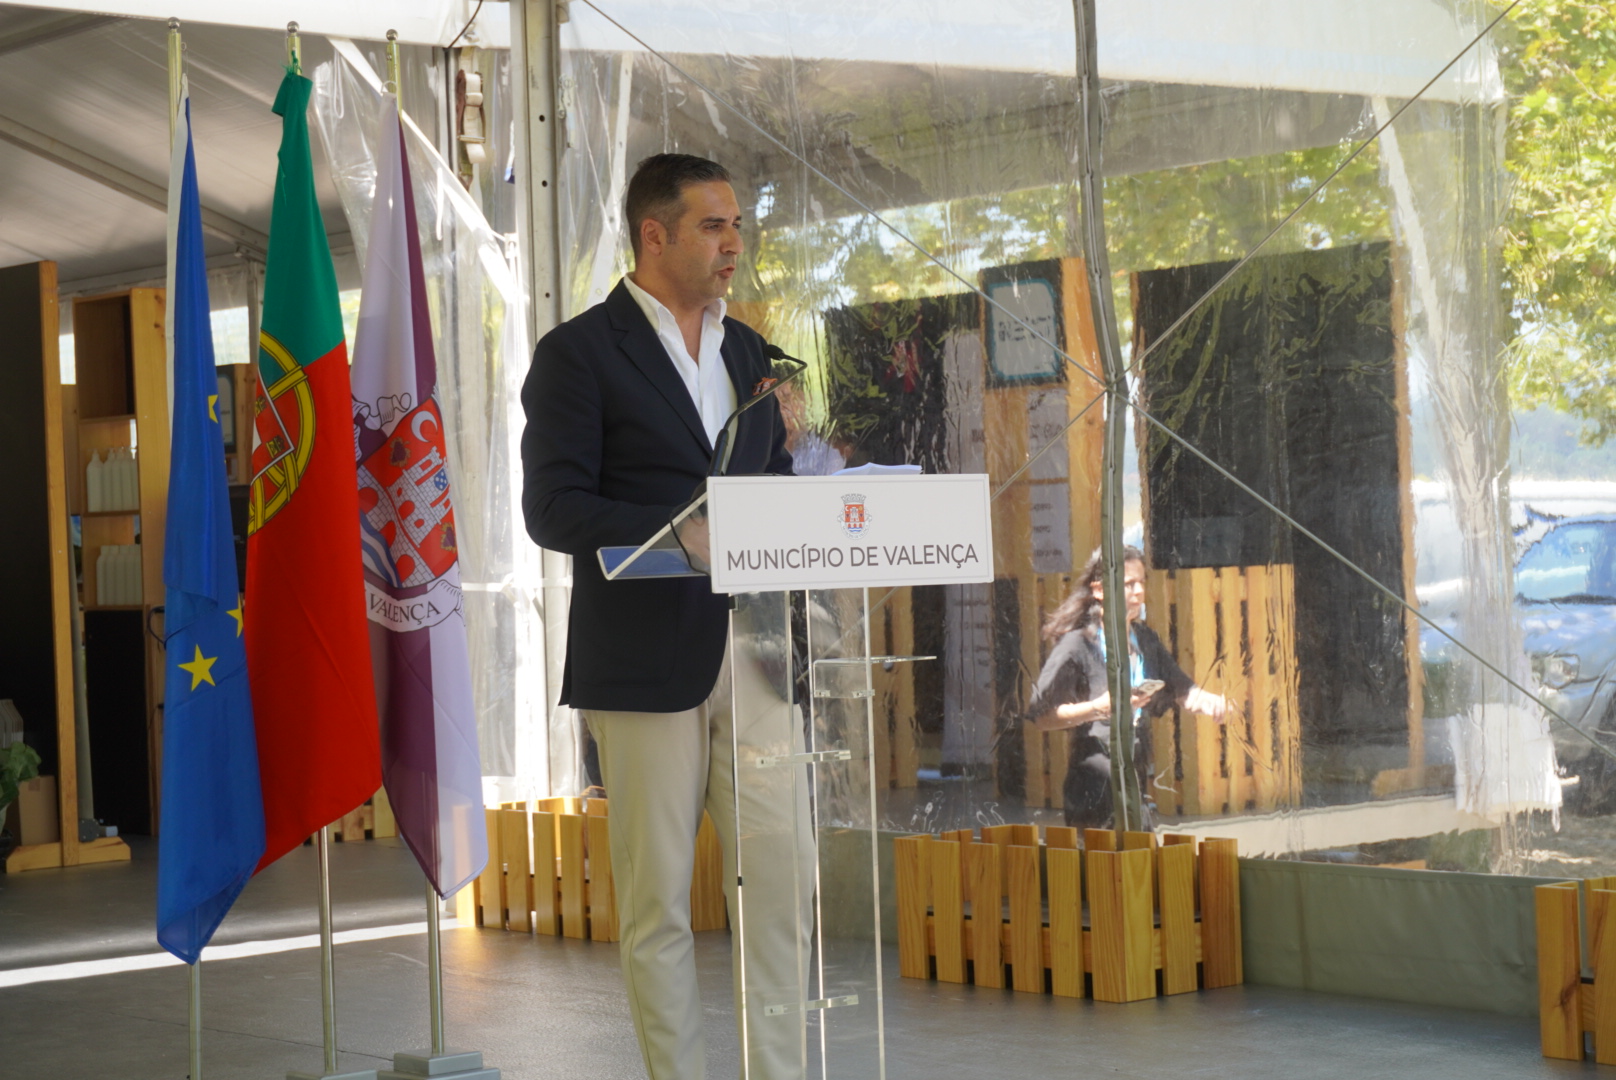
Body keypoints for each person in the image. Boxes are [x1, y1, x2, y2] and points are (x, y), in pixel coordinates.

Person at [521, 153, 812, 1080]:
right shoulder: (577, 354)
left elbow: (769, 486)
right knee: (658, 906)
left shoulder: (749, 352)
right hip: (644, 662)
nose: (734, 244)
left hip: (759, 654)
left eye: (737, 226)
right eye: (713, 226)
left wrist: (814, 488)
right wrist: (680, 532)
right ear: (655, 235)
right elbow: (552, 509)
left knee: (785, 884)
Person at [1028, 545, 1228, 829]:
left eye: (1141, 582)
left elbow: (1182, 688)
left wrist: (1209, 701)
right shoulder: (1077, 645)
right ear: (1099, 590)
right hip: (1094, 787)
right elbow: (1041, 716)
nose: (1138, 592)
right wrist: (1098, 708)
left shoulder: (1145, 639)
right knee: (1105, 857)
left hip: (1135, 781)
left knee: (1141, 853)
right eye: (1128, 584)